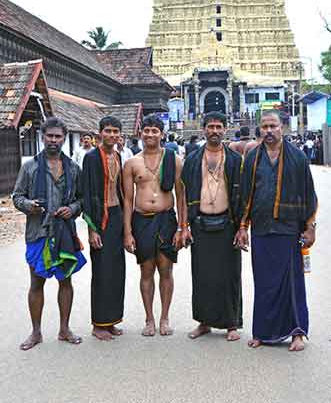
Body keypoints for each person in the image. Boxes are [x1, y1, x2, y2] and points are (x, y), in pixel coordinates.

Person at [238, 111, 318, 352]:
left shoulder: (298, 157)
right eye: (265, 127)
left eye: (273, 126)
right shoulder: (252, 157)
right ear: (259, 129)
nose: (269, 130)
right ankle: (262, 332)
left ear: (282, 127)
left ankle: (296, 333)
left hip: (288, 228)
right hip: (261, 228)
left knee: (292, 282)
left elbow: (308, 194)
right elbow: (244, 195)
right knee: (263, 282)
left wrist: (310, 227)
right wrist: (243, 226)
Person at [12, 117, 86, 351]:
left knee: (66, 281)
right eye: (49, 136)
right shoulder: (30, 167)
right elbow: (16, 196)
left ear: (64, 139)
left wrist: (72, 209)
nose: (53, 140)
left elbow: (82, 199)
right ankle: (36, 332)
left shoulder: (73, 168)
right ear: (42, 137)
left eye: (58, 136)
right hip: (38, 232)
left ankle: (64, 329)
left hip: (64, 232)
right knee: (36, 283)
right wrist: (29, 205)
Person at [180, 111, 243, 340]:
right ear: (203, 129)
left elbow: (243, 196)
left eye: (218, 126)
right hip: (200, 223)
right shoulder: (194, 159)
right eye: (210, 126)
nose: (214, 131)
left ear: (225, 129)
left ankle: (232, 324)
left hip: (228, 223)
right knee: (202, 275)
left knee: (230, 275)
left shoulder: (235, 160)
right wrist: (184, 226)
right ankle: (204, 322)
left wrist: (242, 227)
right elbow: (185, 195)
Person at [123, 114, 184, 337]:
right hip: (142, 221)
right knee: (146, 270)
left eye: (154, 131)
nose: (150, 134)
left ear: (162, 134)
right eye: (146, 130)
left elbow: (181, 195)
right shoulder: (132, 163)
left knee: (166, 269)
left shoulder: (173, 159)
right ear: (141, 134)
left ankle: (164, 318)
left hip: (167, 219)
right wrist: (127, 232)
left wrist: (182, 227)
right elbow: (128, 200)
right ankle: (149, 318)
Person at [82, 116, 125, 341]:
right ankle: (99, 323)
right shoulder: (91, 158)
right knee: (101, 271)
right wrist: (92, 228)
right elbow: (87, 193)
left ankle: (112, 320)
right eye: (107, 131)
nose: (111, 135)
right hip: (101, 219)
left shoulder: (118, 156)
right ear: (100, 133)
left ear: (119, 135)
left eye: (115, 131)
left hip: (117, 216)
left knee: (116, 270)